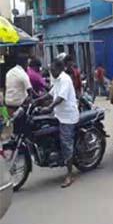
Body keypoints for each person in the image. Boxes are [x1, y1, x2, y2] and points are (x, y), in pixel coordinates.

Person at [39, 58, 79, 188]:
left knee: (66, 143)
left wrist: (49, 107)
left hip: (67, 116)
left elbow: (60, 98)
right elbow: (50, 94)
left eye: (53, 69)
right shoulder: (56, 79)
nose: (51, 71)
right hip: (58, 115)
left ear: (59, 69)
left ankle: (69, 175)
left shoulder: (65, 79)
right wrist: (36, 101)